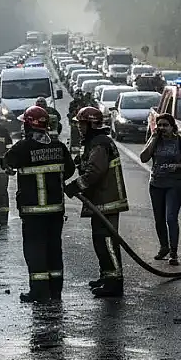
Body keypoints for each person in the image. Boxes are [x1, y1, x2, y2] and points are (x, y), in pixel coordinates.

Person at [1, 105, 76, 303]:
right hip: (55, 211)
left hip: (33, 212)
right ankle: (55, 292)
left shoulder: (23, 147)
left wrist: (5, 163)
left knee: (35, 251)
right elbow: (69, 170)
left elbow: (8, 162)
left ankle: (39, 292)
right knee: (54, 250)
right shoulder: (58, 147)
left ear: (27, 125)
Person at [65, 105, 130, 298]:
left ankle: (114, 282)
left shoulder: (100, 143)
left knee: (107, 241)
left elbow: (95, 171)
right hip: (100, 200)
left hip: (106, 200)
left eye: (81, 123)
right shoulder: (94, 141)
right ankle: (106, 276)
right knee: (100, 241)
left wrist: (75, 186)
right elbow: (85, 163)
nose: (79, 127)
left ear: (91, 124)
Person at [140, 114, 181, 265]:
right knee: (159, 218)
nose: (162, 128)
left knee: (171, 217)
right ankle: (164, 247)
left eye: (165, 125)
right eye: (160, 125)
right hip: (156, 184)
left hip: (175, 185)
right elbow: (144, 158)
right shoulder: (155, 140)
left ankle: (174, 252)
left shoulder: (180, 142)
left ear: (172, 127)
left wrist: (177, 166)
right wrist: (153, 139)